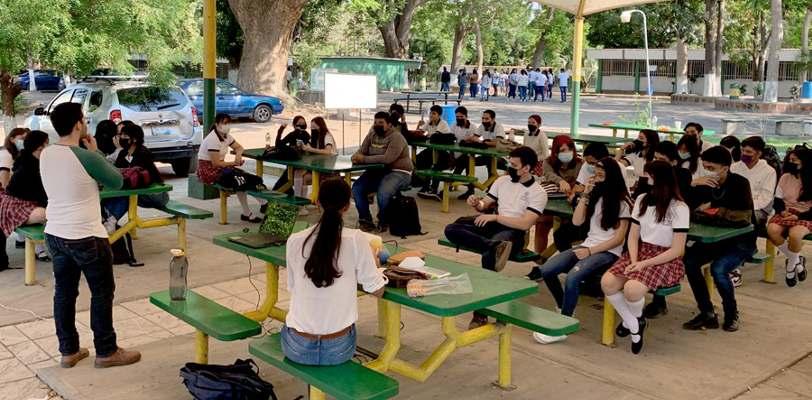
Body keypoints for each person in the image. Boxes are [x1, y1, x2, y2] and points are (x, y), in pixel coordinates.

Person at [41, 102, 140, 368]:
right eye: (83, 119)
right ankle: (106, 351)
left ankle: (68, 351)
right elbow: (117, 181)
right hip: (86, 235)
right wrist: (95, 152)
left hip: (55, 233)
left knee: (64, 293)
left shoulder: (47, 153)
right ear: (78, 125)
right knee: (101, 292)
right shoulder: (87, 156)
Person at [282, 178, 387, 365]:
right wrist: (374, 264)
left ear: (317, 202)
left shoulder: (295, 240)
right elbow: (377, 290)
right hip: (338, 349)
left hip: (297, 347)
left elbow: (292, 286)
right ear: (347, 206)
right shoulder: (356, 239)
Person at [444, 146, 547, 327]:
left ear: (527, 168)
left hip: (514, 231)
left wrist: (496, 217)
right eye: (509, 163)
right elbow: (485, 204)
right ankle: (492, 245)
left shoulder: (537, 192)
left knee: (488, 258)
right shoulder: (502, 181)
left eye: (514, 165)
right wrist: (477, 203)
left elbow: (525, 224)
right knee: (451, 229)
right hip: (494, 225)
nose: (509, 167)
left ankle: (480, 314)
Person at [533, 157, 631, 344]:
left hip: (609, 252)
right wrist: (585, 195)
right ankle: (563, 307)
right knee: (547, 270)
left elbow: (618, 239)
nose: (597, 174)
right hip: (587, 245)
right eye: (597, 171)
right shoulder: (594, 196)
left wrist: (591, 251)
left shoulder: (622, 202)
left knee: (573, 277)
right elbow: (577, 221)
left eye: (602, 172)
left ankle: (564, 325)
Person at [601, 160, 689, 354]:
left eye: (648, 174)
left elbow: (677, 249)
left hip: (665, 256)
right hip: (640, 252)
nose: (644, 177)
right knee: (607, 283)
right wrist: (634, 261)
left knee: (632, 290)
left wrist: (643, 264)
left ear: (659, 178)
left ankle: (631, 322)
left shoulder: (680, 207)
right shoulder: (641, 199)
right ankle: (635, 323)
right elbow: (633, 236)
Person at [682, 146, 754, 332]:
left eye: (711, 168)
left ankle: (731, 313)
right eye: (705, 167)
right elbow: (685, 208)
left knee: (719, 269)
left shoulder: (740, 184)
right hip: (712, 241)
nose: (708, 172)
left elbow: (742, 217)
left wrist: (712, 210)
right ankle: (707, 312)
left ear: (725, 168)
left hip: (739, 242)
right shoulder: (704, 184)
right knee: (689, 262)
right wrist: (692, 185)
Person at [197, 113, 266, 222]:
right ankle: (258, 207)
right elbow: (216, 164)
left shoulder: (226, 136)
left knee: (252, 179)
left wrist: (238, 156)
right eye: (224, 123)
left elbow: (239, 147)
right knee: (241, 180)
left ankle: (258, 207)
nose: (227, 125)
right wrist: (234, 163)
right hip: (210, 172)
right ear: (217, 124)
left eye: (228, 123)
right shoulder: (212, 139)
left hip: (222, 168)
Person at [351, 112, 413, 232]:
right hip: (377, 171)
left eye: (381, 123)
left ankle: (384, 221)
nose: (377, 125)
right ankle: (365, 220)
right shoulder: (371, 135)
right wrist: (355, 157)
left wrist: (363, 159)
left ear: (389, 124)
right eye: (375, 122)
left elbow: (387, 159)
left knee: (383, 193)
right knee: (357, 189)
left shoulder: (397, 137)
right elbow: (362, 151)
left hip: (399, 172)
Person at [0, 130, 50, 270]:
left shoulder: (29, 160)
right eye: (44, 145)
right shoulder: (29, 167)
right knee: (49, 213)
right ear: (37, 147)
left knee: (52, 212)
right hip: (15, 205)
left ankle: (34, 246)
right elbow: (40, 195)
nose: (46, 148)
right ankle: (40, 248)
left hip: (21, 202)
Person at [767, 147, 812, 287]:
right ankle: (797, 261)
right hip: (785, 212)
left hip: (806, 214)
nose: (791, 162)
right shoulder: (785, 177)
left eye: (795, 160)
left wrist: (798, 216)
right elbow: (778, 200)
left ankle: (791, 266)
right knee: (772, 230)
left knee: (795, 235)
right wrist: (782, 212)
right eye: (790, 160)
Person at [536, 135, 583, 254]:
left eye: (570, 149)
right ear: (556, 152)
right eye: (563, 150)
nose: (567, 153)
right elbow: (548, 174)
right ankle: (540, 256)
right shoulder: (548, 162)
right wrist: (560, 181)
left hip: (571, 204)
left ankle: (562, 256)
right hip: (553, 201)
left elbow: (581, 183)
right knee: (541, 223)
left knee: (565, 229)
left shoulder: (580, 163)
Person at [453, 110, 507, 200]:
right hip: (487, 156)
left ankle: (489, 192)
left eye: (487, 119)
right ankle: (468, 190)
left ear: (493, 119)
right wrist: (467, 139)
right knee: (466, 160)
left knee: (489, 164)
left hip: (499, 157)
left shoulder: (498, 127)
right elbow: (475, 137)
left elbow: (498, 142)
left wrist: (483, 142)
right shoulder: (482, 126)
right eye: (483, 118)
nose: (484, 120)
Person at [731, 136, 776, 228]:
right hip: (734, 206)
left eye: (748, 152)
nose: (744, 154)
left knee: (742, 219)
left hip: (758, 208)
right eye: (742, 150)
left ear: (759, 153)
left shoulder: (769, 171)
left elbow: (765, 198)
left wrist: (747, 206)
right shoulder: (734, 167)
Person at [293, 117, 338, 205]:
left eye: (315, 127)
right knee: (298, 173)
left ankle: (302, 202)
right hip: (317, 166)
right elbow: (308, 147)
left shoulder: (327, 136)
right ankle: (298, 201)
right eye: (312, 128)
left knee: (303, 177)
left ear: (320, 126)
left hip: (327, 169)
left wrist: (310, 149)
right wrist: (303, 147)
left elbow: (327, 151)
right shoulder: (314, 137)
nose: (313, 130)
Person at [415, 105, 452, 200]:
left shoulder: (443, 124)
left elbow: (434, 137)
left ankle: (434, 188)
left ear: (439, 115)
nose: (431, 115)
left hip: (443, 152)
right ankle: (425, 185)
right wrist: (419, 126)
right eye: (430, 113)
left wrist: (427, 135)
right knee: (418, 159)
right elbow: (419, 133)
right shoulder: (429, 122)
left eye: (434, 113)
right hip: (432, 150)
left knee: (436, 166)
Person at [271, 116, 310, 194]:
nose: (301, 126)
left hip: (301, 165)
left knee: (281, 185)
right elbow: (278, 144)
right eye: (299, 124)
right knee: (281, 184)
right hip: (292, 165)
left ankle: (292, 196)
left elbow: (308, 148)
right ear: (294, 125)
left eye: (303, 123)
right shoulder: (293, 134)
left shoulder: (306, 135)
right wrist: (280, 130)